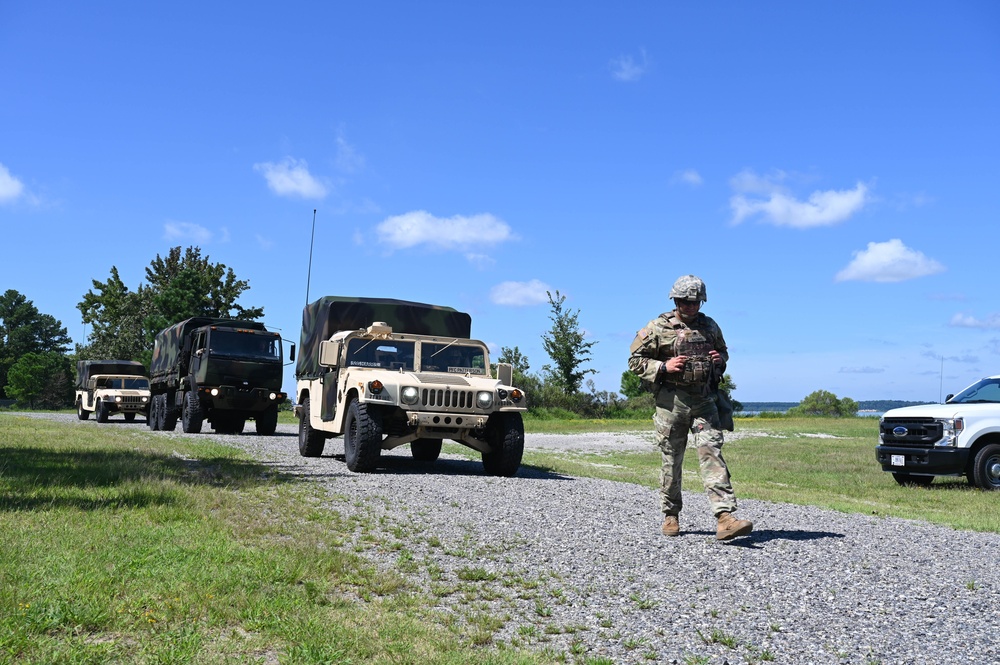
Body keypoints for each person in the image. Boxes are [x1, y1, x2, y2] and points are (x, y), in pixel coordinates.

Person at [627, 275, 753, 541]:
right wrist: (663, 366)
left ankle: (725, 517)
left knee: (712, 453)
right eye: (686, 302)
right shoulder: (658, 327)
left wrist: (720, 360)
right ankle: (671, 514)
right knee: (672, 461)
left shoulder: (710, 326)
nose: (691, 307)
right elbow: (635, 361)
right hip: (672, 403)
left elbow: (723, 353)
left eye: (696, 302)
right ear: (676, 300)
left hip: (704, 401)